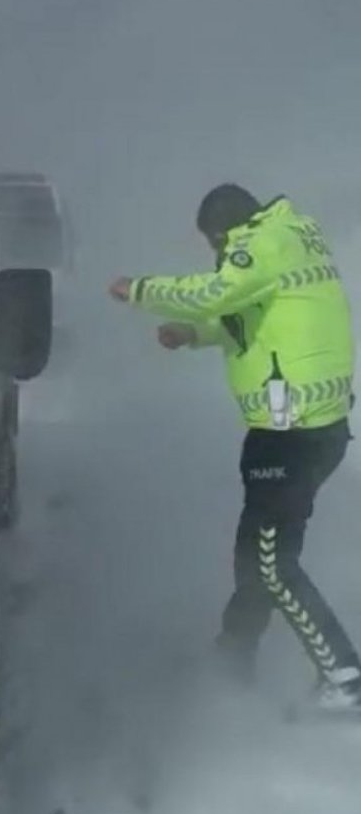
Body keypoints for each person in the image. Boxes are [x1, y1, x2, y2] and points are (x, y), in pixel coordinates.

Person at [109, 184, 361, 709]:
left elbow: (215, 293)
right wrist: (192, 335)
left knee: (270, 562)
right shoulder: (289, 238)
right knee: (255, 552)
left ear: (222, 233)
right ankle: (233, 656)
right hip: (307, 428)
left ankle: (344, 676)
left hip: (294, 433)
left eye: (212, 245)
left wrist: (139, 290)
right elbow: (250, 320)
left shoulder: (259, 245)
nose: (216, 255)